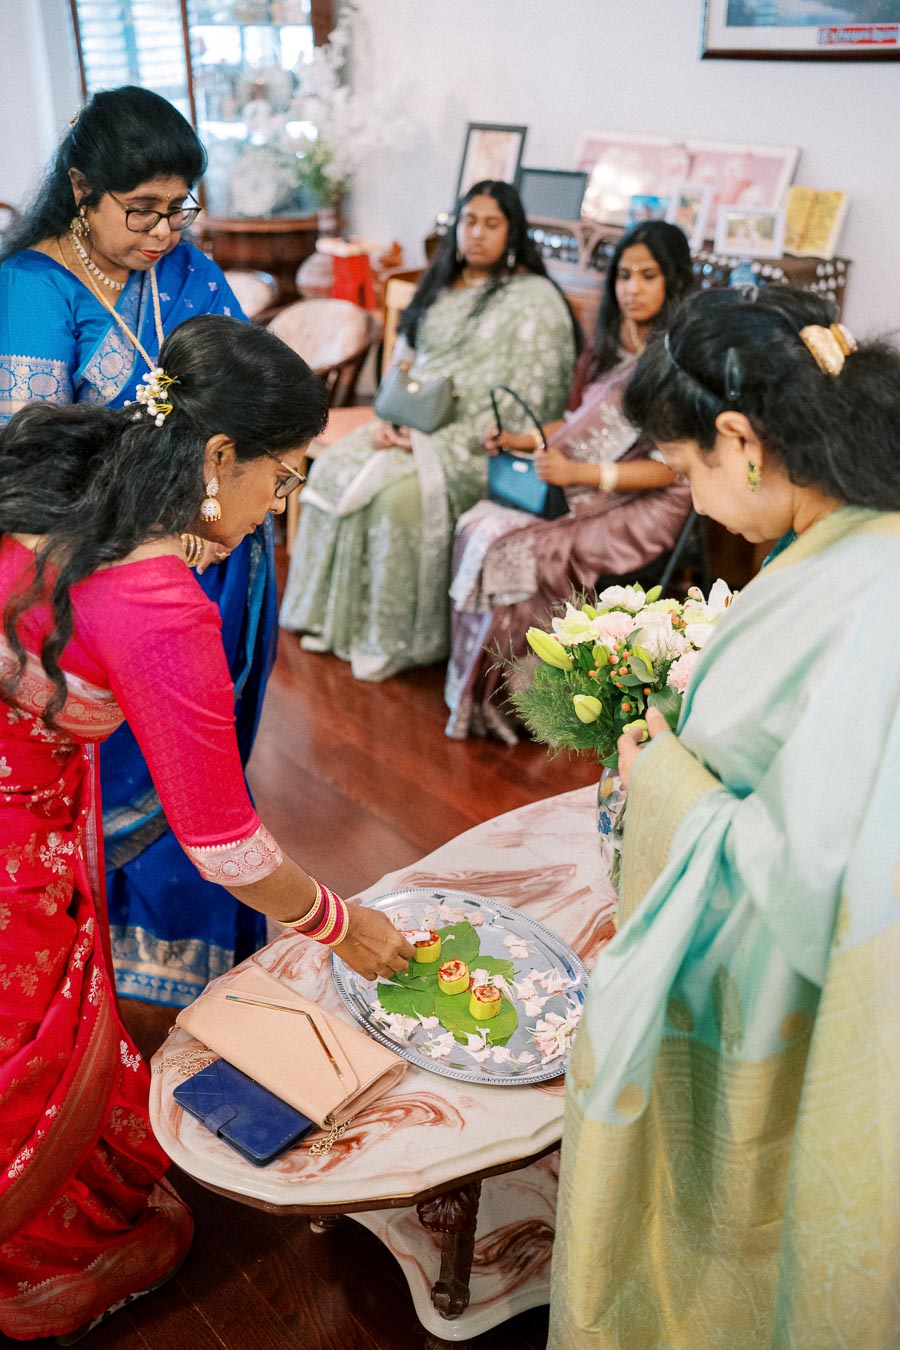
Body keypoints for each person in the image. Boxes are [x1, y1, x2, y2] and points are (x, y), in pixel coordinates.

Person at [0, 315, 415, 1343]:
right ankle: (43, 1250)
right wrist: (345, 925)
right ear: (219, 457)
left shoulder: (61, 480)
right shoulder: (156, 600)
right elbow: (225, 846)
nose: (282, 503)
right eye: (283, 476)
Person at [549, 287, 899, 1349]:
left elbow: (815, 881)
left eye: (692, 466)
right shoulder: (853, 543)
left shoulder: (864, 596)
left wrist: (662, 779)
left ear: (743, 440)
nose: (694, 499)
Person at [0, 86, 278, 1007]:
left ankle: (209, 948)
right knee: (121, 764)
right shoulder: (34, 292)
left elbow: (247, 383)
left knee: (205, 758)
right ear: (82, 189)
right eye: (143, 211)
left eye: (180, 208)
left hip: (219, 563)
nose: (165, 232)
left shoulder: (187, 269)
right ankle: (117, 967)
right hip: (106, 587)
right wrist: (152, 533)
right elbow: (27, 468)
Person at [278, 179, 579, 682]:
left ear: (513, 232)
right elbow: (405, 363)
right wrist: (394, 419)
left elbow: (527, 398)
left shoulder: (535, 300)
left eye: (492, 224)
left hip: (472, 444)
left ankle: (394, 640)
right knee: (333, 466)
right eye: (469, 222)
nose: (477, 234)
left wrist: (431, 439)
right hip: (408, 425)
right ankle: (330, 624)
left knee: (396, 499)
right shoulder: (438, 286)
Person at [445, 220, 694, 741]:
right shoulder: (607, 341)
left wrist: (581, 474)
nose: (633, 288)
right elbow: (576, 420)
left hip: (652, 498)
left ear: (673, 281)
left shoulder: (677, 359)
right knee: (478, 524)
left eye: (649, 276)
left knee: (521, 548)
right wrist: (519, 439)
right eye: (624, 275)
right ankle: (477, 694)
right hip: (588, 484)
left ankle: (531, 702)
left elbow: (674, 466)